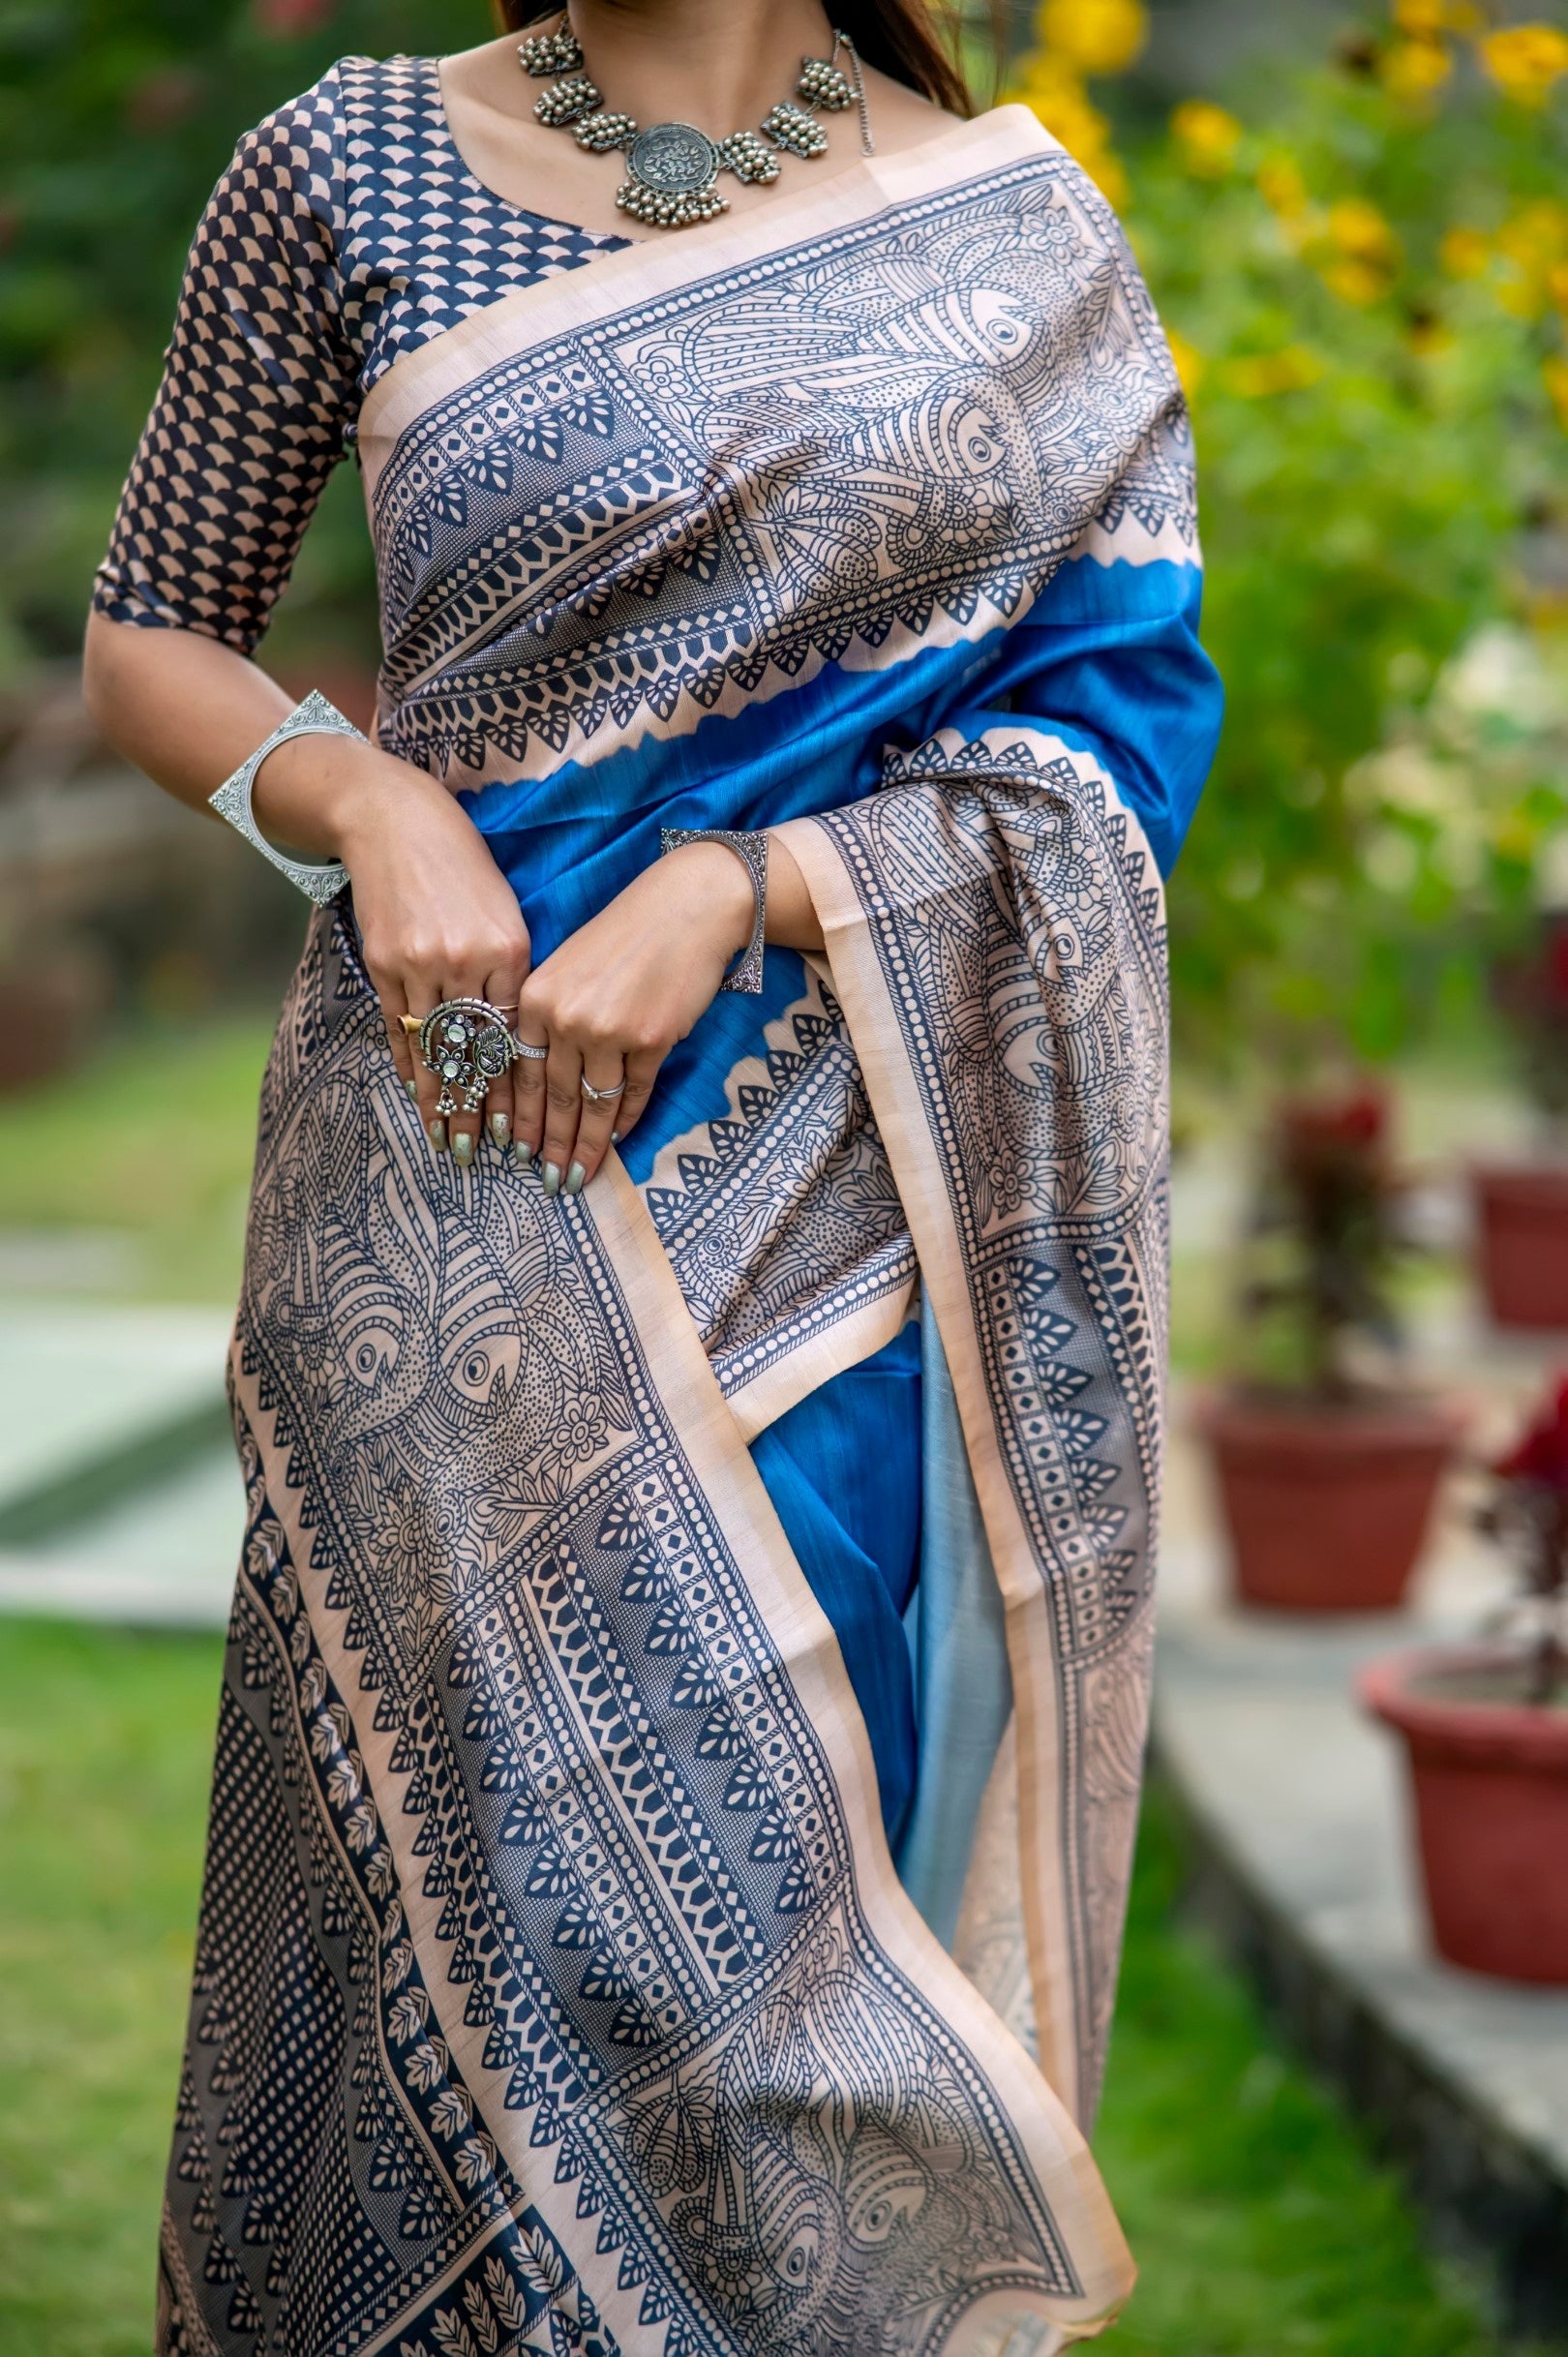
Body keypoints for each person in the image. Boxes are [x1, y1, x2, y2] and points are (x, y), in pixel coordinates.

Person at [84, 4, 1221, 2349]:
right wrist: (372, 796)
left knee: (773, 1976)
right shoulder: (351, 166)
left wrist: (745, 882)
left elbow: (1115, 727)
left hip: (846, 1212)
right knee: (465, 1927)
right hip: (454, 1201)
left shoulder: (1011, 221)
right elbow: (150, 635)